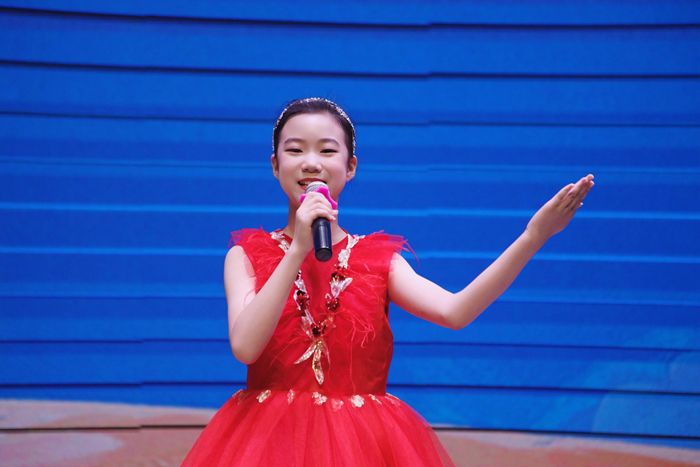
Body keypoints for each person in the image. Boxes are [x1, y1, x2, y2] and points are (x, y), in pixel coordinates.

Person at [181, 98, 594, 466]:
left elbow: (455, 312)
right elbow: (245, 346)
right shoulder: (246, 256)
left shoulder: (380, 261)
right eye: (295, 150)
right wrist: (297, 251)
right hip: (269, 446)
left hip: (363, 445)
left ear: (350, 167)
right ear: (275, 165)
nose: (311, 162)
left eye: (327, 150)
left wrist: (533, 237)